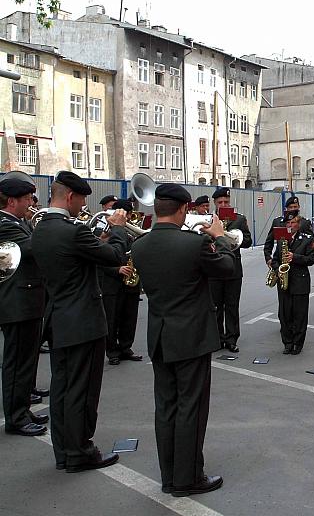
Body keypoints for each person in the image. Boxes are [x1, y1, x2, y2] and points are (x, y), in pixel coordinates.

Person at [132, 183, 235, 496]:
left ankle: (169, 476)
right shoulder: (192, 243)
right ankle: (188, 477)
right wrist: (220, 236)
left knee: (166, 408)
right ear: (182, 209)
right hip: (191, 337)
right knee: (191, 407)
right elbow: (227, 268)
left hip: (160, 336)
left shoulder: (140, 246)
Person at [31, 171, 128, 472]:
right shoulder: (72, 231)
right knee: (82, 391)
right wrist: (118, 230)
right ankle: (81, 451)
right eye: (82, 199)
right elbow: (113, 256)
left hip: (59, 317)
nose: (83, 205)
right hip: (83, 320)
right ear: (70, 197)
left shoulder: (42, 229)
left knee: (62, 389)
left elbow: (75, 259)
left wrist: (96, 239)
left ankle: (64, 450)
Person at [0, 177, 48, 436]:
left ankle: (23, 409)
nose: (31, 203)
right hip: (16, 302)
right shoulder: (4, 224)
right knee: (17, 362)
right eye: (27, 199)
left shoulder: (18, 222)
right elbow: (32, 248)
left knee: (26, 360)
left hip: (27, 300)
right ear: (12, 201)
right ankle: (16, 418)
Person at [99, 198, 143, 366]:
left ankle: (126, 347)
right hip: (112, 281)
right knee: (112, 318)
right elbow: (99, 260)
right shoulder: (106, 233)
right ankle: (112, 351)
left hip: (131, 280)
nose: (129, 218)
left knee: (129, 317)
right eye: (127, 214)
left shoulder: (133, 232)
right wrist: (116, 269)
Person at [208, 187, 252, 353]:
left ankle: (232, 339)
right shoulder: (209, 220)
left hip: (233, 268)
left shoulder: (239, 219)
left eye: (226, 202)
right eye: (220, 202)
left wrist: (236, 239)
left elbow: (248, 241)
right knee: (215, 306)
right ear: (215, 203)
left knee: (232, 306)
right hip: (214, 268)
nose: (224, 204)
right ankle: (217, 338)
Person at [273, 211, 314, 354]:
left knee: (300, 314)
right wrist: (277, 268)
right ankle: (287, 342)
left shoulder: (307, 239)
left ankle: (298, 343)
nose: (290, 225)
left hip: (300, 281)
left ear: (298, 225)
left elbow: (311, 260)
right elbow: (275, 259)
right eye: (288, 223)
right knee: (285, 314)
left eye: (293, 223)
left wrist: (295, 257)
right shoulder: (281, 239)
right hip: (284, 281)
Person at [264, 195, 313, 266]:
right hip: (280, 262)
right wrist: (268, 258)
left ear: (299, 207)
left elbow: (310, 244)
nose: (293, 209)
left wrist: (297, 257)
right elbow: (269, 242)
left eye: (295, 207)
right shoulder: (277, 222)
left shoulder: (305, 223)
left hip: (298, 264)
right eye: (290, 207)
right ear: (286, 209)